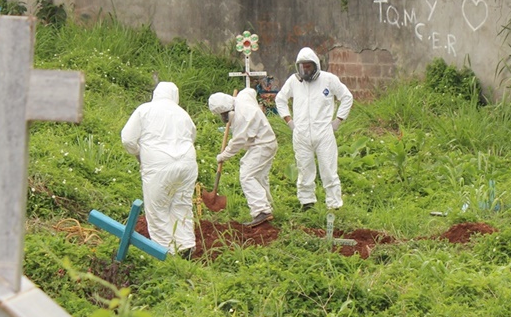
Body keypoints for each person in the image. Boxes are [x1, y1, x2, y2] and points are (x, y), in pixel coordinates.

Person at [121, 82, 198, 257]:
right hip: (187, 164)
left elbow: (127, 138)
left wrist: (139, 154)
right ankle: (185, 248)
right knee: (182, 206)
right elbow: (192, 136)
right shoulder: (183, 114)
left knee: (157, 210)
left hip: (159, 165)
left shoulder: (145, 110)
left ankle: (164, 254)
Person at [275, 47, 353, 211]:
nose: (305, 69)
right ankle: (307, 203)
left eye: (308, 66)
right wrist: (289, 121)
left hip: (324, 133)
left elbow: (346, 97)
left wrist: (338, 121)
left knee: (329, 170)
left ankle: (334, 205)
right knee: (304, 170)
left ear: (315, 65)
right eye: (302, 66)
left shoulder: (329, 80)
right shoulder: (294, 81)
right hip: (301, 133)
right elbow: (280, 99)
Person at [208, 88, 279, 226]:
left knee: (247, 175)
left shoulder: (242, 116)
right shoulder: (241, 99)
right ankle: (268, 207)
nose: (223, 117)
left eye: (223, 114)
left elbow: (238, 141)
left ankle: (261, 211)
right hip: (265, 142)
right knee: (259, 177)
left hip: (262, 145)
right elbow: (250, 91)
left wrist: (224, 155)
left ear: (229, 110)